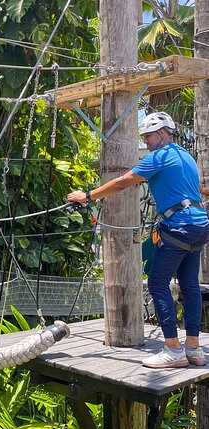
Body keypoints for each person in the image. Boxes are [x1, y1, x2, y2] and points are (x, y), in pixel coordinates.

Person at [67, 111, 209, 368]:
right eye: (143, 137)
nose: (146, 141)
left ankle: (173, 351)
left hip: (178, 227)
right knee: (189, 286)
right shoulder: (186, 156)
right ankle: (194, 349)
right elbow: (195, 188)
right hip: (200, 226)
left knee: (157, 283)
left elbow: (124, 181)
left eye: (150, 136)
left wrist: (87, 196)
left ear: (165, 133)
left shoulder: (160, 157)